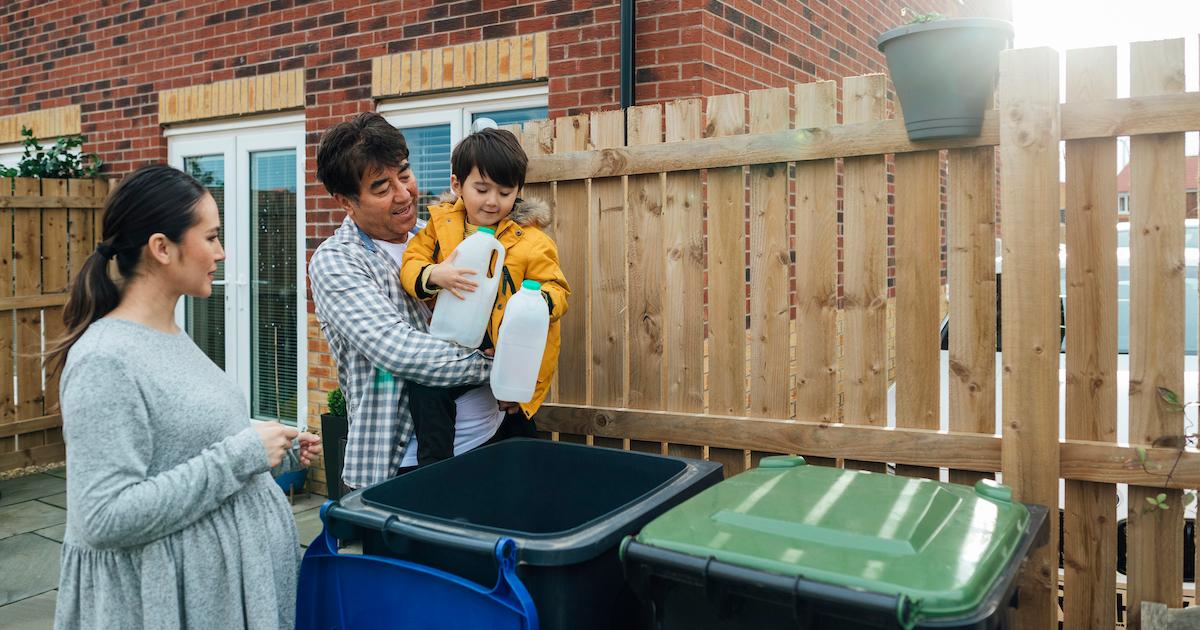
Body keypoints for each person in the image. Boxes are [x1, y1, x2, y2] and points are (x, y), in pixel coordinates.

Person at [47, 164, 321, 630]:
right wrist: (240, 455)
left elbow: (180, 444)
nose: (222, 252)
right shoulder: (105, 360)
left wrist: (266, 446)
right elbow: (103, 517)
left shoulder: (171, 333)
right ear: (162, 248)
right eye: (211, 237)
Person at [310, 112, 522, 488]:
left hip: (494, 434)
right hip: (406, 462)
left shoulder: (437, 237)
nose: (404, 193)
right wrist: (502, 373)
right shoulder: (337, 261)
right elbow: (401, 352)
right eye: (381, 187)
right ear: (345, 201)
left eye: (404, 174)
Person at [398, 127, 569, 466]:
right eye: (481, 189)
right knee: (427, 389)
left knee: (516, 417)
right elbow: (411, 262)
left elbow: (557, 289)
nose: (492, 201)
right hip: (456, 344)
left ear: (518, 192)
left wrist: (537, 302)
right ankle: (435, 469)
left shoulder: (531, 241)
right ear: (457, 184)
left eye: (505, 192)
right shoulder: (439, 227)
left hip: (508, 349)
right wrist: (433, 274)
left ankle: (525, 473)